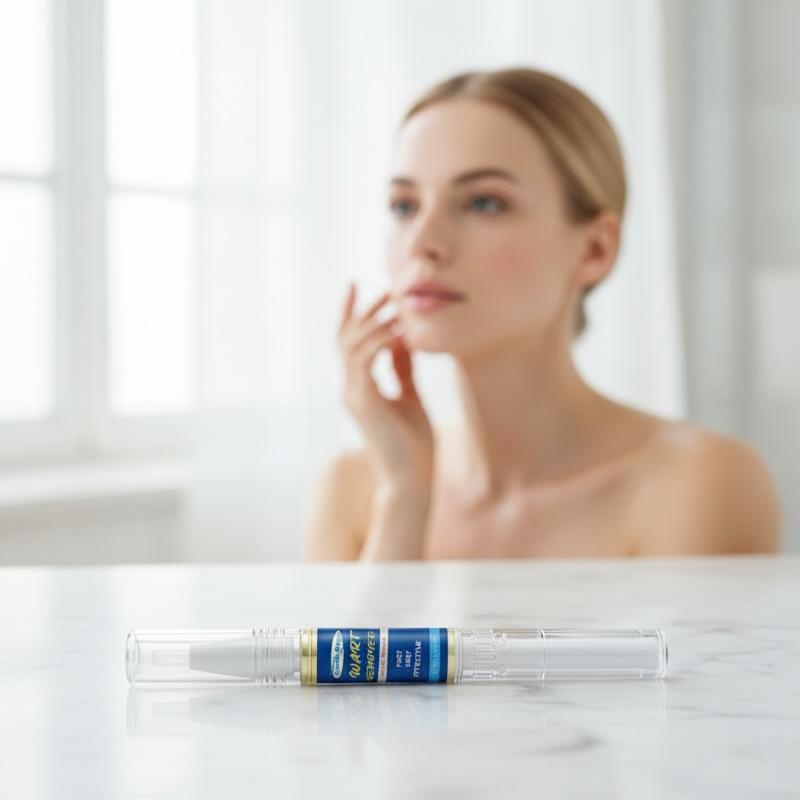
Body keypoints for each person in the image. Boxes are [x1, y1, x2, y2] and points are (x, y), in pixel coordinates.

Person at [302, 67, 781, 561]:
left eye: (483, 203)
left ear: (595, 249)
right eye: (404, 206)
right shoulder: (355, 488)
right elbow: (360, 623)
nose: (422, 243)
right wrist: (406, 498)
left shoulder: (698, 481)